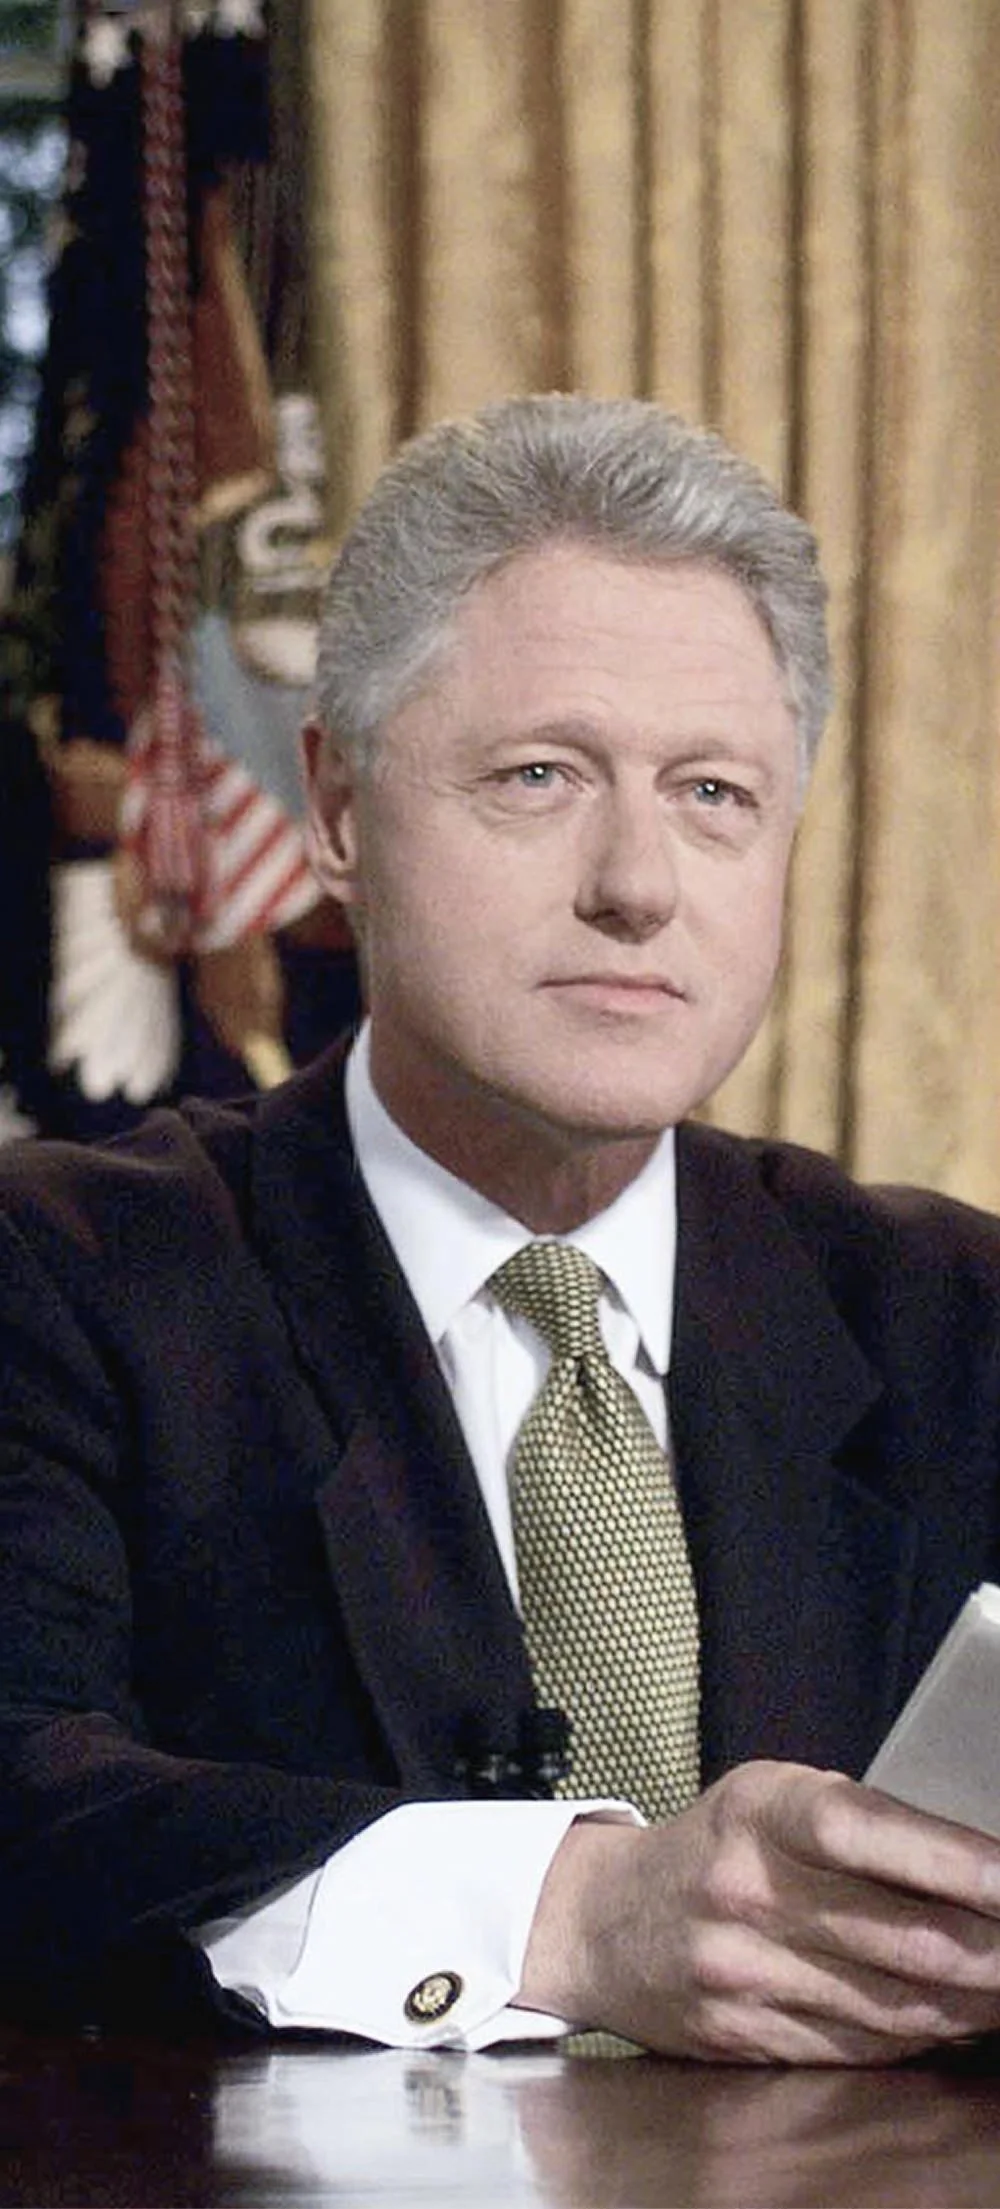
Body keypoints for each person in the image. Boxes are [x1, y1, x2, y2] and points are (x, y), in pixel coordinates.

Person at [4, 393, 1000, 2065]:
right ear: (332, 805)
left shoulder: (956, 1313)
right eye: (540, 775)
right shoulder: (65, 1279)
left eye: (714, 794)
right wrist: (576, 1917)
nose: (639, 882)